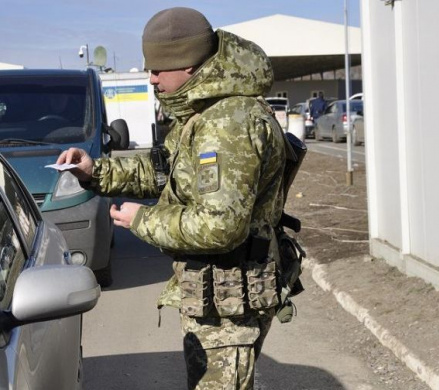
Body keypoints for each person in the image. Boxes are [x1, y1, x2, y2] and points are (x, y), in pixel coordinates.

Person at [56, 7, 286, 389]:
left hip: (230, 305)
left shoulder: (226, 124)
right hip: (215, 297)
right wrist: (94, 171)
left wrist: (142, 221)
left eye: (159, 69)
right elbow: (164, 172)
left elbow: (220, 226)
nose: (151, 78)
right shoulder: (200, 114)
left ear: (191, 66)